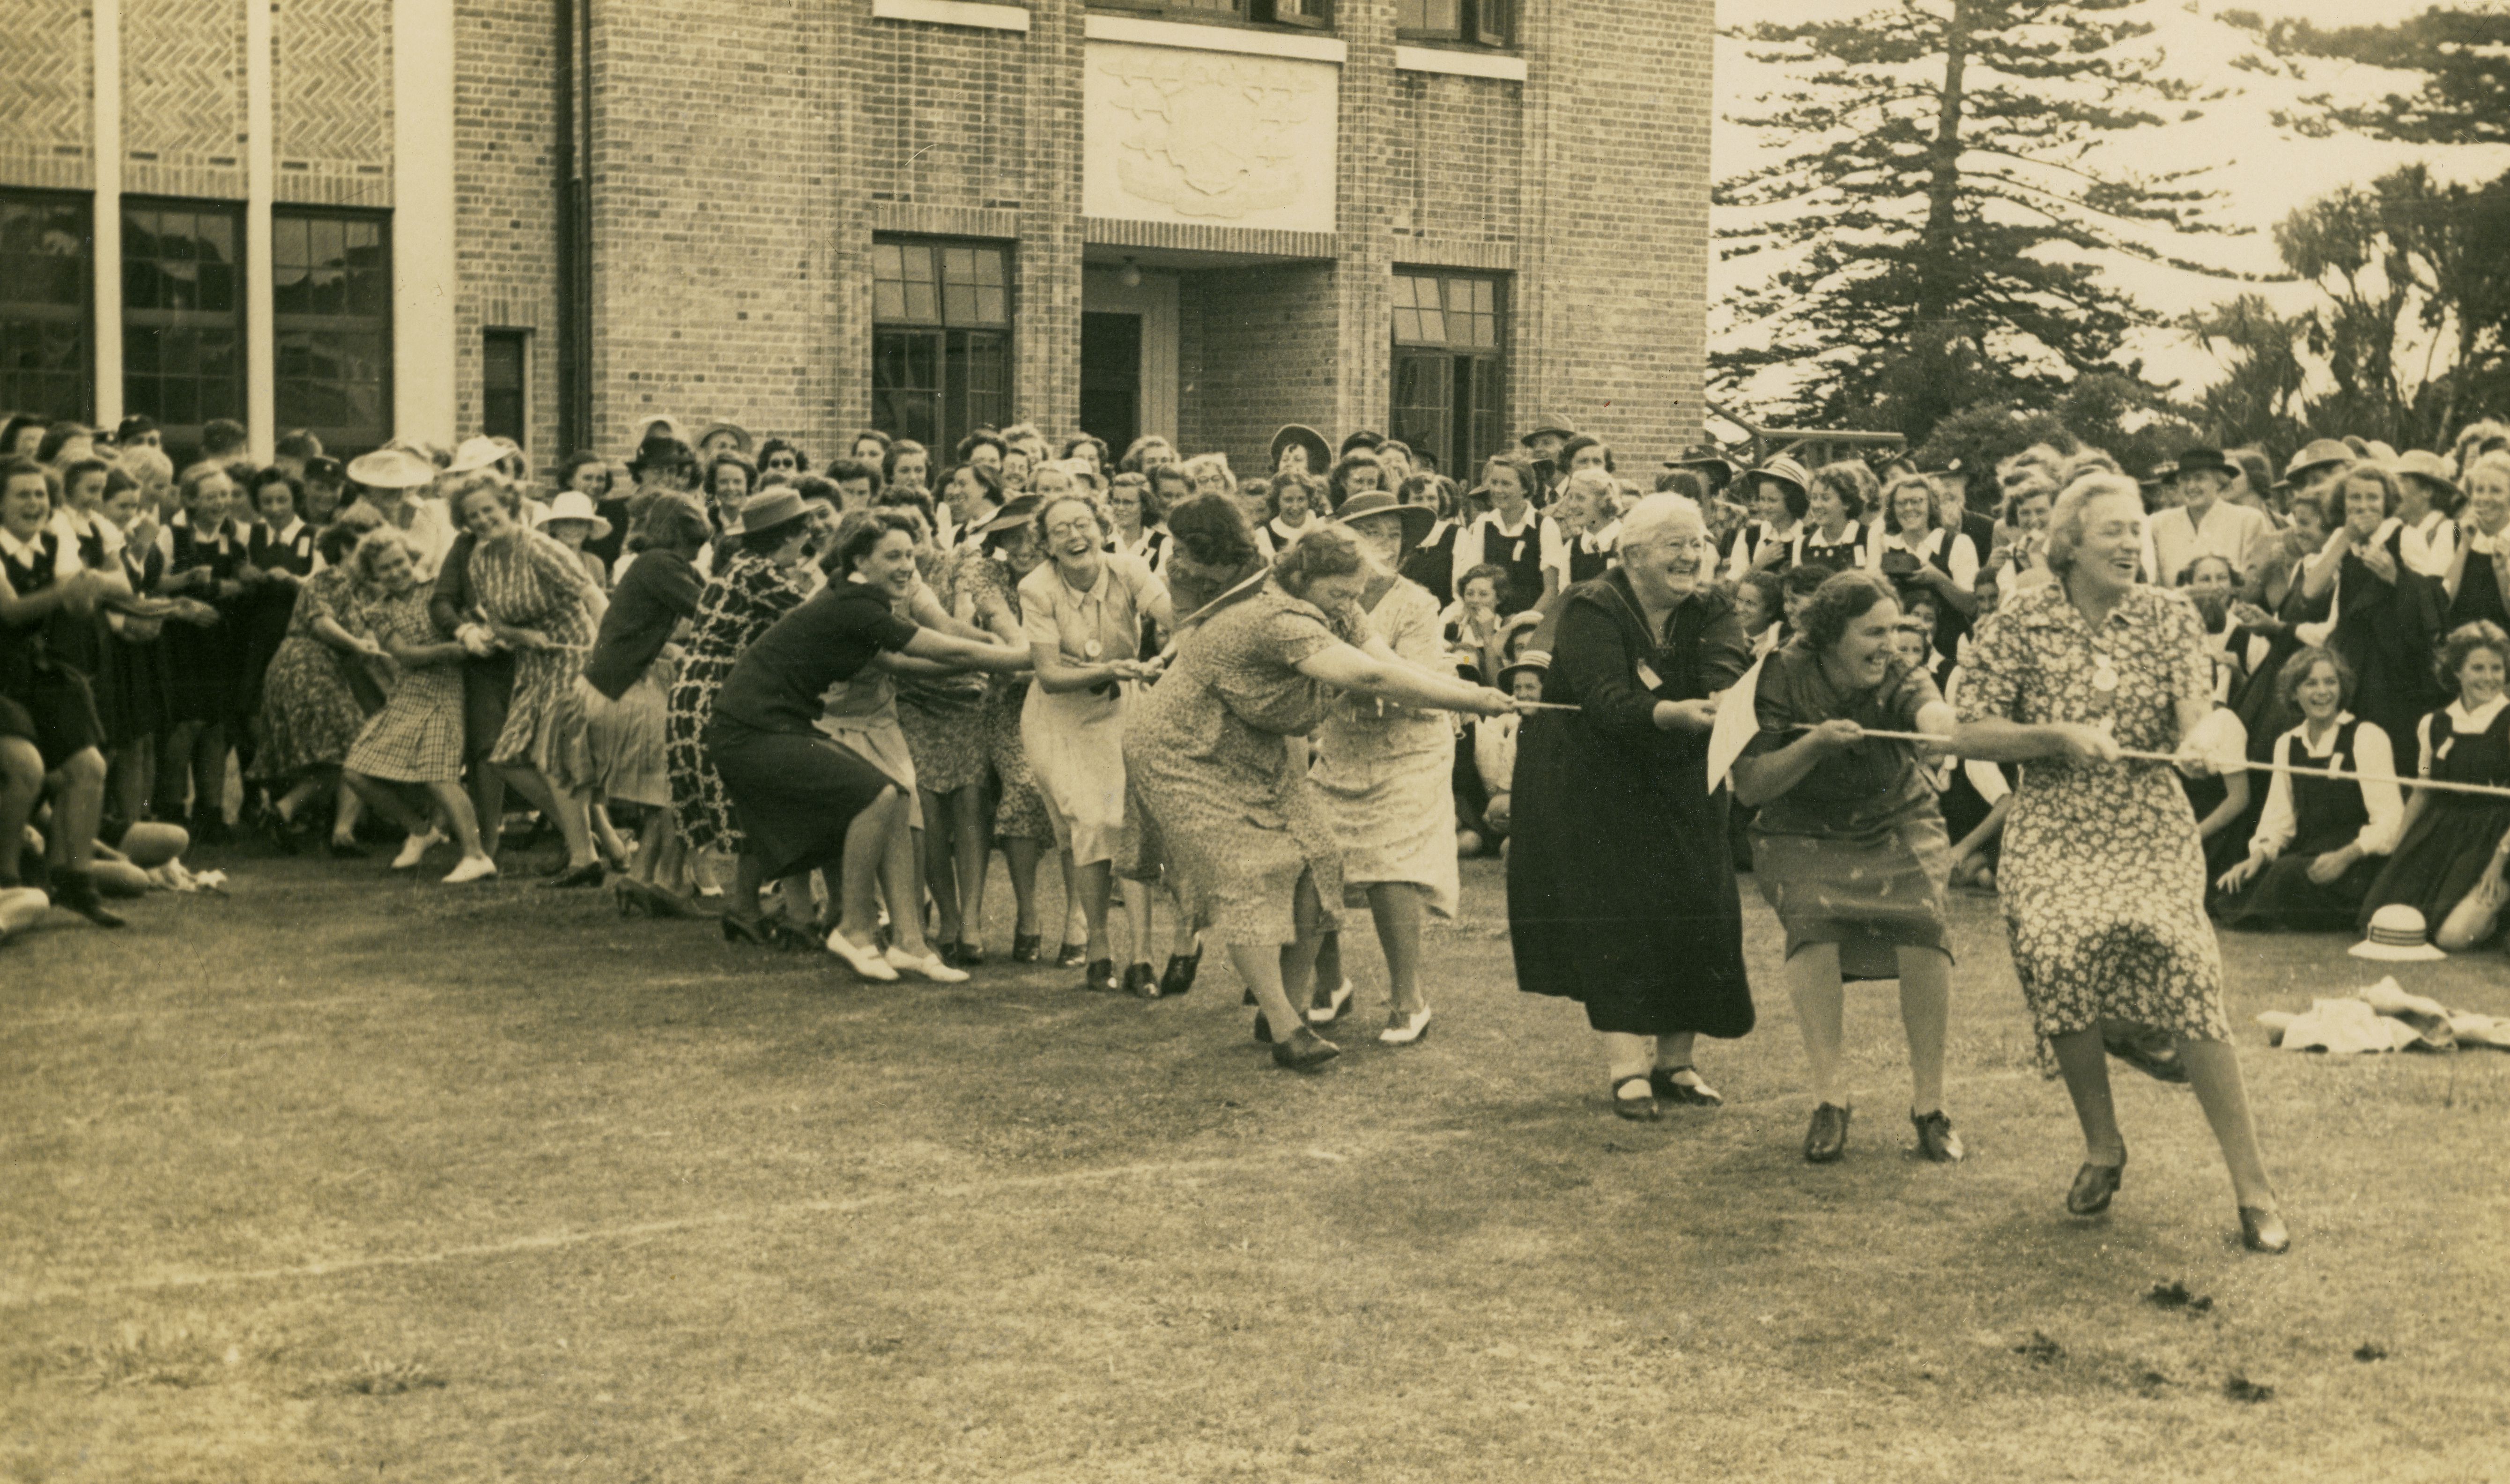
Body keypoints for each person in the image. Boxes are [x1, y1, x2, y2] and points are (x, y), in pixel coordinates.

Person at [1951, 471, 2288, 1254]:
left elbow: (2191, 716)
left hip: (2146, 820)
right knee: (2058, 950)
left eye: (2135, 533)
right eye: (2112, 532)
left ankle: (2252, 1187)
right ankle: (2102, 1145)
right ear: (2066, 544)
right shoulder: (2020, 617)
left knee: (2186, 965)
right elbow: (1965, 730)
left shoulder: (2167, 617)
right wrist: (2056, 736)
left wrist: (2200, 744)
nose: (2129, 546)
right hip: (2053, 822)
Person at [1124, 524, 1519, 1071]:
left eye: (1356, 593)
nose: (1351, 604)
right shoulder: (1277, 618)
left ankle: (1281, 1002)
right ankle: (1287, 1028)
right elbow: (1372, 677)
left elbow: (1392, 661)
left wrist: (1465, 693)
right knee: (1248, 873)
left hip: (1246, 741)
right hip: (1182, 749)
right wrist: (1470, 697)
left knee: (1319, 857)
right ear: (1304, 578)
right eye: (1341, 592)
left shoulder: (1335, 603)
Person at [1509, 495, 1754, 1119]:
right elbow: (1604, 698)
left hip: (1685, 774)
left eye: (1696, 541)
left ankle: (1675, 1063)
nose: (1689, 553)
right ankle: (1625, 1070)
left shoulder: (1713, 603)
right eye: (1673, 543)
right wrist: (1667, 712)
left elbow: (1726, 658)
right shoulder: (1592, 605)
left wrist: (1722, 691)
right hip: (1594, 778)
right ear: (1633, 553)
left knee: (1697, 906)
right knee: (1612, 914)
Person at [704, 512, 1028, 983]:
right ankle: (854, 928)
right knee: (875, 795)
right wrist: (1030, 657)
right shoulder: (854, 607)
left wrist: (1002, 662)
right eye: (893, 556)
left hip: (775, 725)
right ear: (861, 559)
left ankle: (909, 944)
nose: (906, 566)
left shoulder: (851, 596)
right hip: (750, 732)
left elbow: (904, 663)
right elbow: (948, 651)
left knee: (895, 796)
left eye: (910, 556)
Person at [1733, 570, 1965, 1163]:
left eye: (1894, 629)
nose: (1888, 643)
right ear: (1833, 633)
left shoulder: (1898, 669)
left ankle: (1930, 1107)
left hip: (1896, 815)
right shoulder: (1779, 673)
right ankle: (1830, 1100)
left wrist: (1942, 731)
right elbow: (1753, 787)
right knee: (1811, 922)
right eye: (1873, 631)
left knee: (1924, 924)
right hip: (1800, 826)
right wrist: (1813, 745)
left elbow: (1930, 706)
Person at [1301, 492, 1451, 1042]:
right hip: (1342, 743)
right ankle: (1330, 983)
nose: (1382, 544)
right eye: (1368, 533)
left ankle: (1408, 1000)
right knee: (1314, 858)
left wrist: (1357, 684)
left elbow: (1416, 679)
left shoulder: (1418, 603)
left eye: (1392, 533)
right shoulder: (1321, 598)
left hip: (1410, 746)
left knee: (1392, 867)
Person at [1020, 493, 1176, 995]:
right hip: (1058, 719)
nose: (1074, 535)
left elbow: (1174, 615)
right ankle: (1100, 948)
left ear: (1102, 527)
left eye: (1083, 523)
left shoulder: (1129, 569)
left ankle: (1144, 958)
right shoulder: (1036, 587)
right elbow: (1047, 674)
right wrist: (1110, 668)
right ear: (1045, 543)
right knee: (1089, 825)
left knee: (1127, 825)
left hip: (1120, 711)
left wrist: (1167, 650)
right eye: (1060, 528)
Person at [665, 489, 820, 937]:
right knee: (757, 797)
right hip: (719, 696)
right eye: (802, 534)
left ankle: (744, 905)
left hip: (700, 692)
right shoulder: (760, 574)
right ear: (784, 537)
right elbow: (816, 617)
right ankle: (746, 907)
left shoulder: (742, 568)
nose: (806, 543)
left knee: (754, 799)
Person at [448, 473, 609, 887]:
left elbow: (594, 599)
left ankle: (583, 858)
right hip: (533, 665)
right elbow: (497, 621)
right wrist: (521, 637)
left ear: (508, 506)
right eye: (473, 515)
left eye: (489, 510)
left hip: (573, 657)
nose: (483, 520)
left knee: (553, 757)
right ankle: (585, 839)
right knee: (506, 758)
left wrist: (606, 659)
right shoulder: (480, 560)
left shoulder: (541, 548)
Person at [0, 458, 122, 925]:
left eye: (41, 495)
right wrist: (72, 589)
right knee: (25, 768)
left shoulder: (56, 541)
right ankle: (7, 876)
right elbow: (9, 612)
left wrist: (88, 589)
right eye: (23, 495)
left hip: (36, 668)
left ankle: (74, 879)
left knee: (89, 765)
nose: (35, 503)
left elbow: (80, 606)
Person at [339, 528, 499, 883]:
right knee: (356, 771)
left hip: (447, 692)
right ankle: (421, 830)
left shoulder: (437, 592)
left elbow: (471, 621)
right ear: (373, 575)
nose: (395, 572)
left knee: (439, 776)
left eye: (399, 563)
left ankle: (476, 856)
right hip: (409, 693)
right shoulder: (377, 610)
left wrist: (470, 638)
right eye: (384, 569)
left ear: (411, 558)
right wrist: (448, 650)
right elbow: (404, 655)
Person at [577, 496, 709, 916]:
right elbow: (712, 611)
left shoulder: (649, 562)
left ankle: (639, 880)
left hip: (612, 685)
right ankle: (669, 883)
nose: (695, 556)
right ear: (681, 538)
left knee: (662, 794)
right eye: (694, 545)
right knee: (675, 788)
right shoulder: (661, 563)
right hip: (624, 689)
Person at [2213, 647, 2403, 932]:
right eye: (2310, 683)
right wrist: (2257, 858)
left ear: (2342, 688)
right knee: (2238, 886)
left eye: (2331, 682)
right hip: (2312, 856)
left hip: (2359, 861)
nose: (2322, 692)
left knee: (2286, 875)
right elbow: (2280, 821)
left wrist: (2345, 857)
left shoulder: (2366, 736)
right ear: (2293, 693)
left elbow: (2391, 822)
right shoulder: (2287, 744)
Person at [2356, 620, 2510, 952]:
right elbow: (2424, 784)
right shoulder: (2433, 724)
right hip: (2443, 829)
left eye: (2497, 668)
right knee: (2380, 919)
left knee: (2450, 938)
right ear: (2457, 671)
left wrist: (2499, 863)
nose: (2489, 677)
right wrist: (2399, 847)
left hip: (2497, 835)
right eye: (2477, 668)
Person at [251, 514, 389, 854]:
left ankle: (294, 815)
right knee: (355, 748)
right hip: (307, 666)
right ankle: (333, 830)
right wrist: (359, 646)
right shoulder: (330, 577)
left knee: (339, 755)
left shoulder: (356, 592)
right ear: (345, 548)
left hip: (317, 668)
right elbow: (320, 623)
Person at [2298, 461, 2445, 752]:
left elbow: (2436, 599)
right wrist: (2345, 538)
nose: (2364, 506)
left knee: (2389, 736)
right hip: (2350, 654)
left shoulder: (2404, 536)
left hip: (2394, 657)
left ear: (2387, 502)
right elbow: (2311, 590)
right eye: (2355, 498)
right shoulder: (2343, 539)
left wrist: (2395, 577)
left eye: (2372, 498)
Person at [2151, 449, 2277, 601]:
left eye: (2200, 478)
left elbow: (2255, 585)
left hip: (2233, 619)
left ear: (2220, 483)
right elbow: (2154, 583)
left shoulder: (2249, 520)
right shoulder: (2158, 523)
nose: (2191, 486)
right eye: (2185, 479)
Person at [1449, 456, 1549, 617]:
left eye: (1506, 484)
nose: (1497, 490)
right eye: (1494, 483)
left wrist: (1519, 624)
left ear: (1525, 488)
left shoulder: (1545, 526)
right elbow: (1471, 576)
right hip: (1489, 618)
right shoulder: (1484, 523)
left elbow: (1551, 592)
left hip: (1530, 622)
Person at [2442, 450, 2510, 634]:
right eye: (2479, 490)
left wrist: (2502, 571)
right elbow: (2441, 606)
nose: (2485, 498)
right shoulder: (2453, 531)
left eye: (2496, 491)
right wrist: (2463, 548)